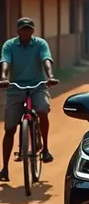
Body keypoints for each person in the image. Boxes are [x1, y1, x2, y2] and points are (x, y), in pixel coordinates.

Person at [0, 17, 59, 181]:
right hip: (15, 88)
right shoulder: (9, 45)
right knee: (10, 129)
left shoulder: (40, 44)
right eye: (22, 29)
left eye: (28, 29)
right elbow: (5, 61)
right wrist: (4, 77)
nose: (26, 31)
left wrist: (50, 76)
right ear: (17, 31)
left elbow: (46, 59)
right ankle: (5, 168)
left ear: (33, 31)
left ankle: (45, 149)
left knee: (42, 109)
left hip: (38, 86)